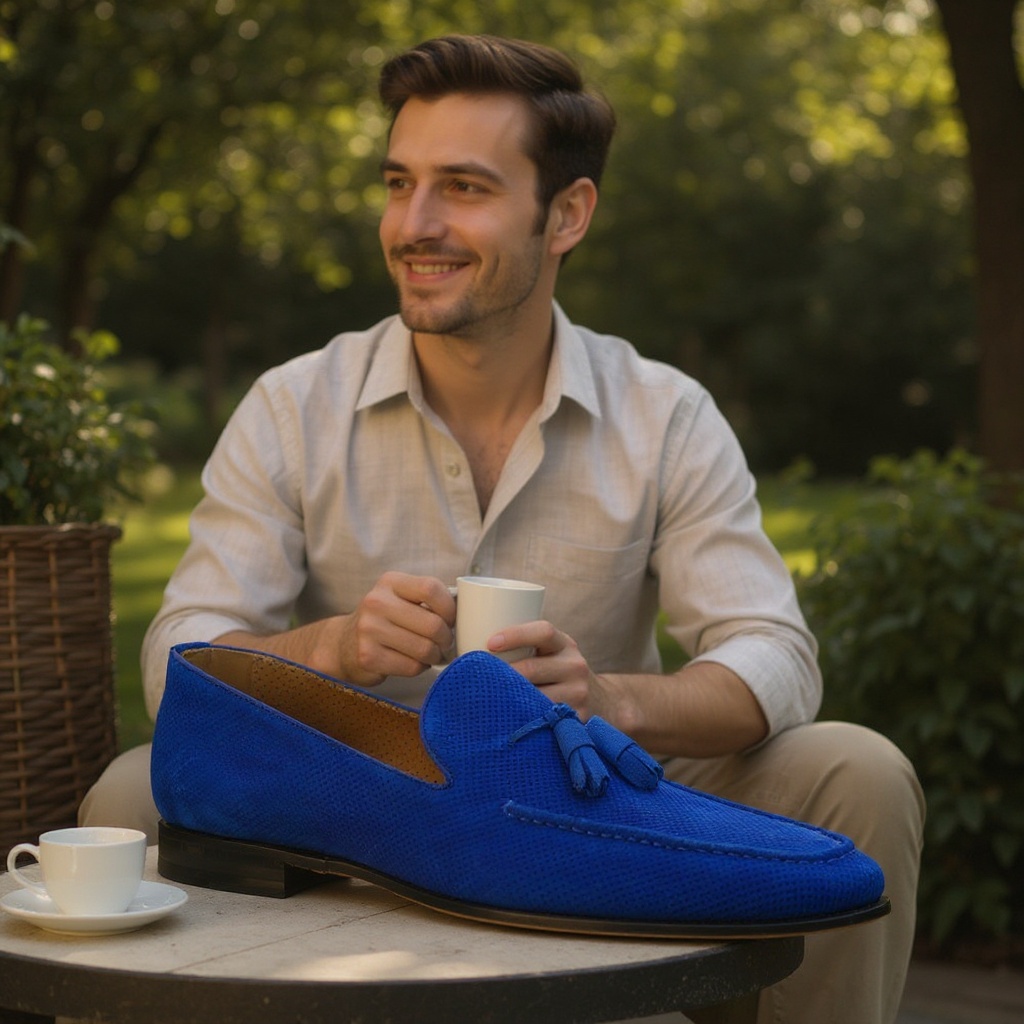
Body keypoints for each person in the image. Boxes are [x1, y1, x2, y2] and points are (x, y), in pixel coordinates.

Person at [82, 34, 924, 1024]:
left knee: (856, 770)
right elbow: (173, 658)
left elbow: (774, 655)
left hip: (590, 806)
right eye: (399, 183)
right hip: (357, 808)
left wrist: (610, 700)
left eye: (463, 189)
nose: (415, 223)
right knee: (127, 798)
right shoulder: (291, 407)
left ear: (565, 214)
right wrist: (329, 648)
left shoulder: (664, 414)